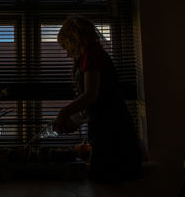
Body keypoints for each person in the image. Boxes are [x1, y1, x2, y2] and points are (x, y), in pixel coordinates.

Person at [53, 16, 143, 182]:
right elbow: (100, 101)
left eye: (65, 46)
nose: (66, 53)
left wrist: (64, 112)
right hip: (114, 131)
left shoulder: (92, 56)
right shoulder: (94, 55)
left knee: (107, 185)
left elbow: (91, 96)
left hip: (112, 136)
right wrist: (76, 121)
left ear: (75, 38)